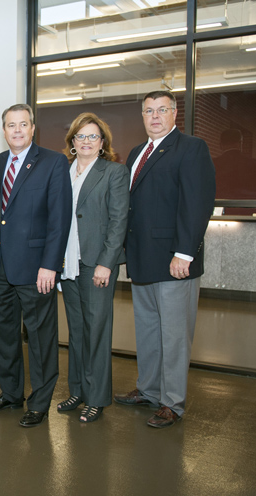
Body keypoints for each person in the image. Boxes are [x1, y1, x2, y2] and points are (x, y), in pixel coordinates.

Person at [114, 90, 216, 428]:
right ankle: (149, 390)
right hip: (142, 258)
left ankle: (172, 403)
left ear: (175, 114)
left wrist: (184, 253)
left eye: (162, 110)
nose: (155, 116)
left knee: (174, 335)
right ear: (142, 116)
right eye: (148, 111)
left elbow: (196, 204)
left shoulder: (191, 148)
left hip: (175, 261)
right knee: (147, 330)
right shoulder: (136, 152)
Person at [0, 104, 72, 427]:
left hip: (37, 270)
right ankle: (11, 393)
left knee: (40, 338)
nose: (17, 130)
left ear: (33, 128)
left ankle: (40, 402)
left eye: (23, 124)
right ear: (3, 130)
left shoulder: (53, 162)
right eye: (11, 125)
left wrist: (51, 265)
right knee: (5, 336)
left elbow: (59, 220)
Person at [57, 113, 129, 423]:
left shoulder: (113, 172)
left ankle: (97, 396)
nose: (86, 142)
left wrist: (106, 263)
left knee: (97, 330)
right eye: (80, 136)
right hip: (68, 263)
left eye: (93, 137)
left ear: (102, 143)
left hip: (95, 263)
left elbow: (118, 222)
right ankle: (78, 390)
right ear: (72, 142)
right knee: (76, 330)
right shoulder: (63, 172)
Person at [213, 129, 256, 216]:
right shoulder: (252, 164)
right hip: (249, 212)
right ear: (240, 144)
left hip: (221, 211)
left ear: (221, 145)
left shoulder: (213, 164)